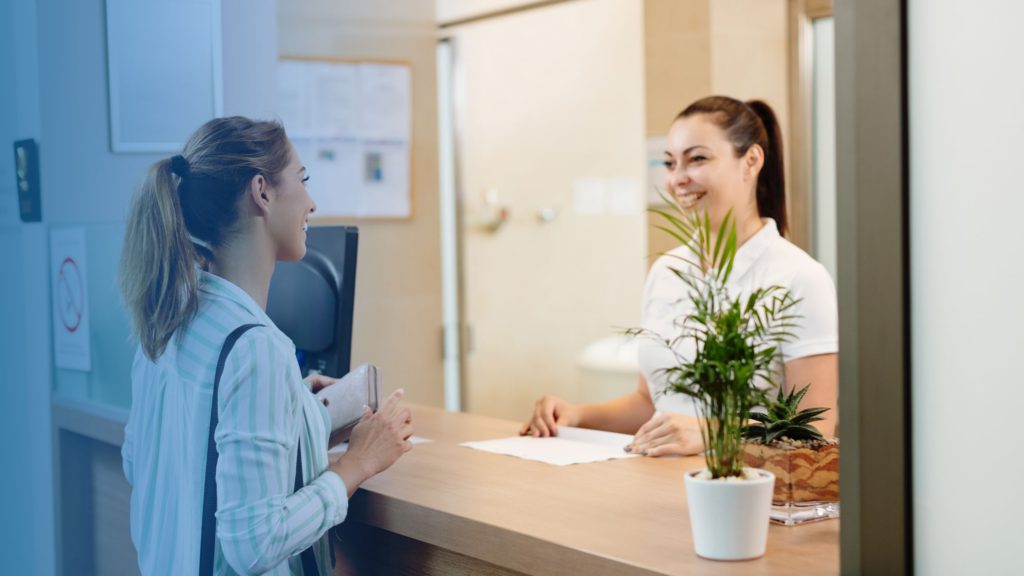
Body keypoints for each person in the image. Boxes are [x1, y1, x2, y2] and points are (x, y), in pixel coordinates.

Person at [119, 116, 413, 575]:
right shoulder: (255, 349)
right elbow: (255, 543)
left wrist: (298, 414)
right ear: (262, 192)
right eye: (303, 179)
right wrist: (358, 463)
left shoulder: (168, 319)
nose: (312, 203)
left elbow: (145, 462)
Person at [520, 96, 838, 456]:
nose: (677, 179)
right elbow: (650, 403)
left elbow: (813, 430)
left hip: (746, 486)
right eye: (670, 163)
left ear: (751, 161)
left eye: (697, 159)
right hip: (653, 480)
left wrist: (713, 432)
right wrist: (576, 415)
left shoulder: (801, 278)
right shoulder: (667, 271)